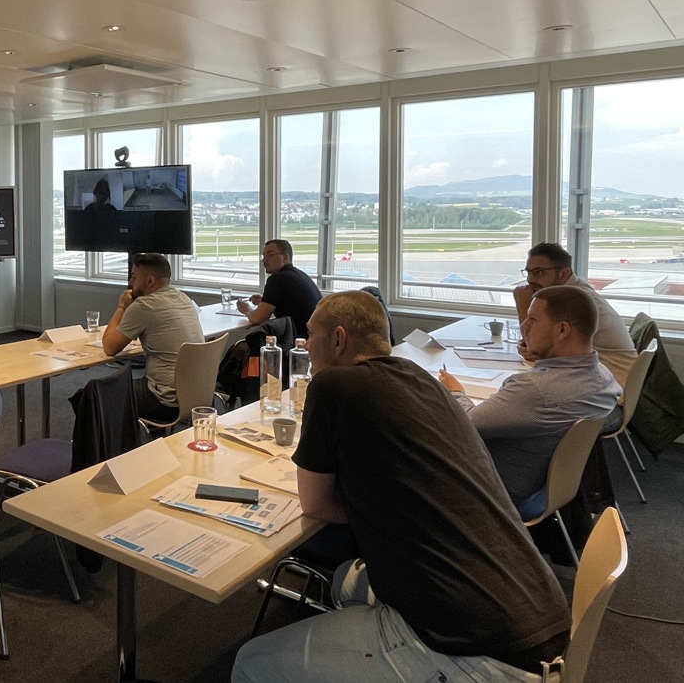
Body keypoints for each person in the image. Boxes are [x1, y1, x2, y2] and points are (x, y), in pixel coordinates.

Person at [233, 291, 570, 683]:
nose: (305, 344)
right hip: (540, 613)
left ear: (338, 339)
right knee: (346, 582)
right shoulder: (424, 381)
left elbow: (316, 505)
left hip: (479, 653)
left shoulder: (332, 386)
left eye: (311, 334)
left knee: (248, 663)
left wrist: (373, 504)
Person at [440, 285, 621, 518]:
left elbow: (464, 425)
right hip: (545, 490)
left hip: (491, 492)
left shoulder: (535, 391)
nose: (523, 326)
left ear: (562, 329)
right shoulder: (603, 377)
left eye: (533, 319)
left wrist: (455, 392)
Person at [102, 252, 203, 424]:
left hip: (165, 400)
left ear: (150, 281)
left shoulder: (144, 305)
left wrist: (121, 307)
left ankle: (106, 441)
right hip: (196, 395)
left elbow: (109, 347)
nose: (130, 282)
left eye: (134, 277)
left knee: (94, 395)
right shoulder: (183, 298)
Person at [515, 242, 636, 385]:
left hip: (611, 387)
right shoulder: (572, 292)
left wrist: (523, 306)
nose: (530, 280)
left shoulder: (577, 300)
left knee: (522, 392)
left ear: (563, 273)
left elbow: (537, 352)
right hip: (601, 378)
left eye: (538, 272)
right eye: (528, 272)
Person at [236, 239, 321, 338]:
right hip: (316, 336)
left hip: (301, 340)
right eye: (263, 256)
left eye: (270, 255)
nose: (264, 261)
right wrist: (265, 302)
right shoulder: (299, 275)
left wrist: (246, 309)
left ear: (285, 258)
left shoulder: (277, 279)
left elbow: (258, 319)